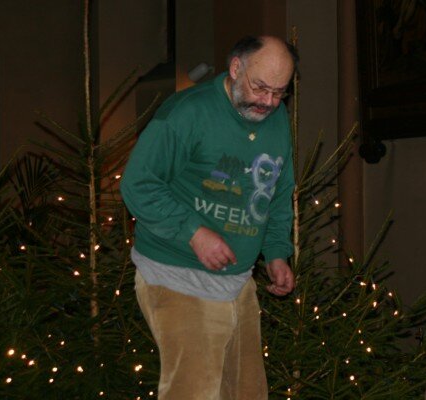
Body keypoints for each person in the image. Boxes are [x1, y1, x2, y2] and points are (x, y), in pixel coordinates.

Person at [120, 35, 298, 400]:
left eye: (279, 92)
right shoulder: (186, 113)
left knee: (247, 393)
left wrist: (277, 252)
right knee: (193, 393)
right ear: (235, 68)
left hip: (237, 281)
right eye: (260, 88)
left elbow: (278, 192)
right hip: (177, 275)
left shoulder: (275, 116)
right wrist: (193, 232)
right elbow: (138, 184)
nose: (268, 102)